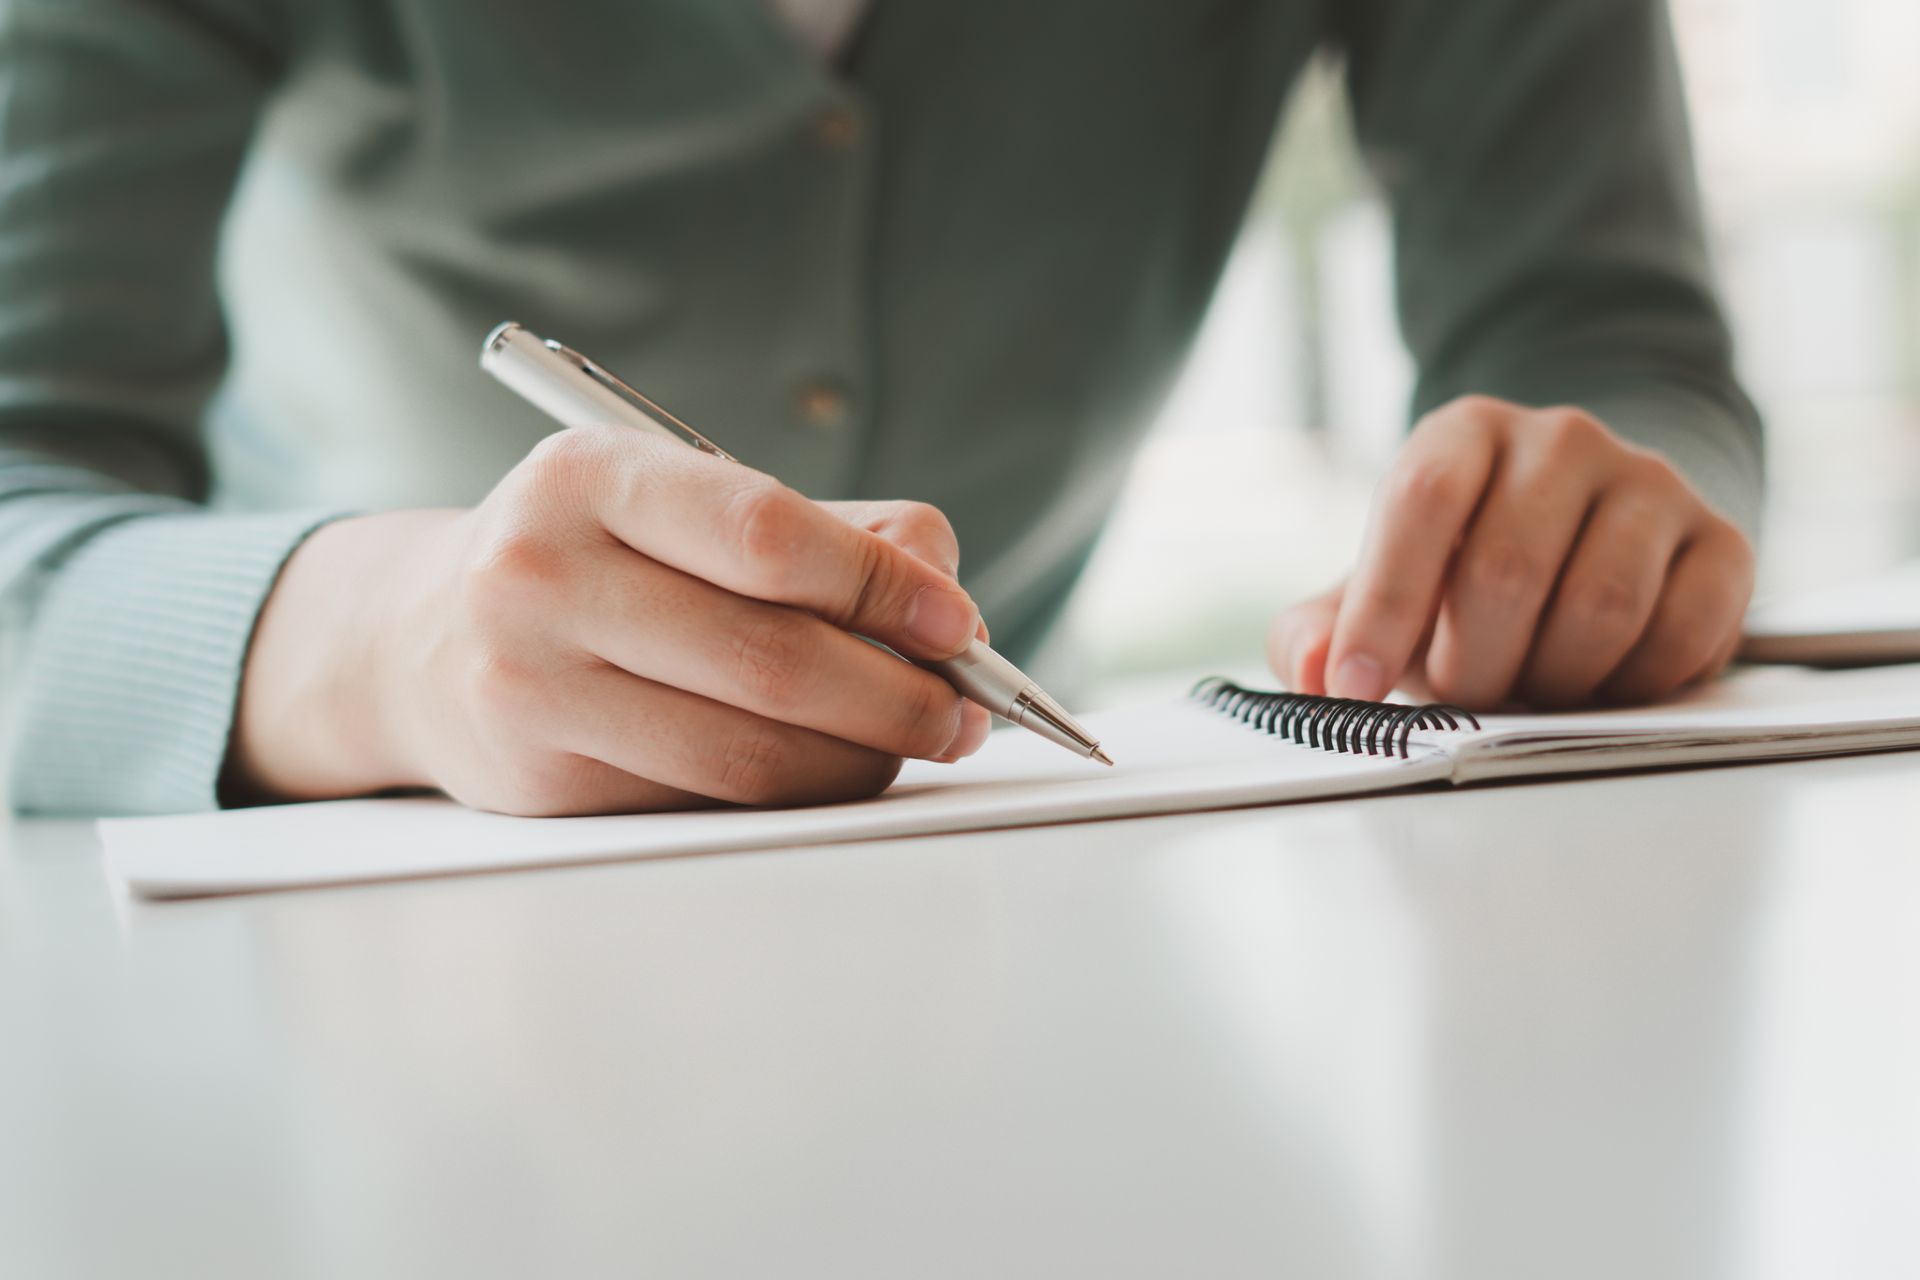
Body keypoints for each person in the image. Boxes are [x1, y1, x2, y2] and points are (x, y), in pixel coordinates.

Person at [0, 0, 1760, 817]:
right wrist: (391, 645)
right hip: (349, 970)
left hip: (1005, 873)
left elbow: (1613, 335)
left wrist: (1604, 515)